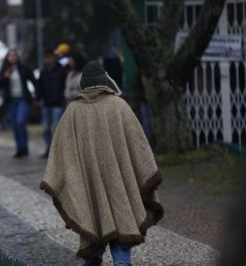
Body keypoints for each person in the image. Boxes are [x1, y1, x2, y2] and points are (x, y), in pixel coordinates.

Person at [40, 61, 164, 266]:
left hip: (90, 188)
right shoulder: (119, 106)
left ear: (84, 84)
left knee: (93, 227)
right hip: (119, 185)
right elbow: (140, 145)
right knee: (121, 232)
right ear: (105, 80)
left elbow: (61, 152)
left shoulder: (73, 111)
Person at [0, 49, 37, 158]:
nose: (13, 57)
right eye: (10, 55)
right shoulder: (5, 70)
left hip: (22, 99)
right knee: (15, 125)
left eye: (14, 55)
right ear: (7, 58)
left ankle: (24, 147)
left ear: (17, 57)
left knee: (20, 122)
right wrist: (5, 77)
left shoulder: (24, 68)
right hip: (11, 101)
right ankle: (20, 149)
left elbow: (33, 81)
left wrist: (37, 96)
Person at [36, 50, 67, 159]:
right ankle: (48, 149)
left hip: (57, 104)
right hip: (46, 104)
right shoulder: (43, 72)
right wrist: (38, 98)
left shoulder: (60, 71)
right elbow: (39, 86)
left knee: (56, 128)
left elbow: (63, 86)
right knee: (46, 129)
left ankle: (57, 150)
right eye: (46, 58)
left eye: (49, 57)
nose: (47, 60)